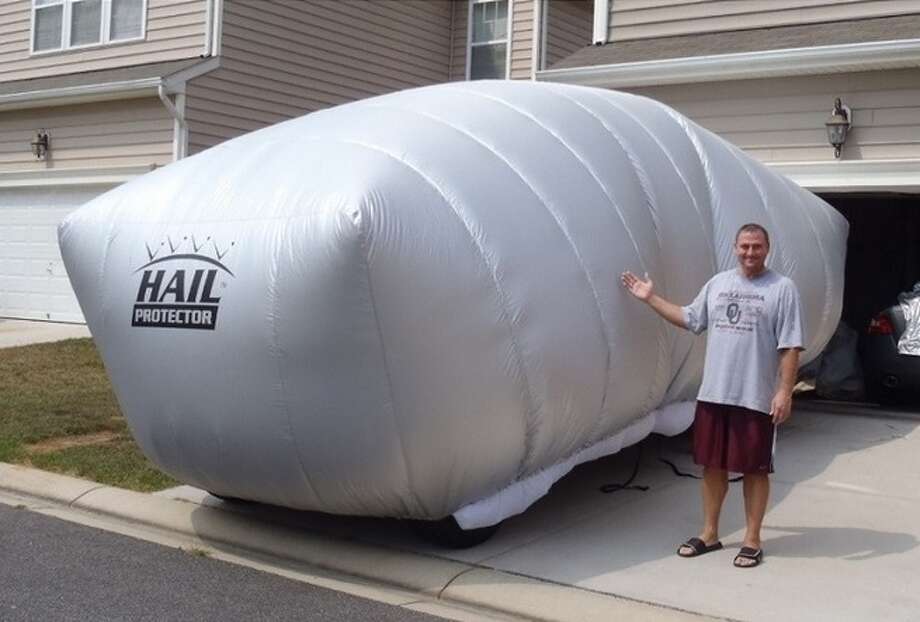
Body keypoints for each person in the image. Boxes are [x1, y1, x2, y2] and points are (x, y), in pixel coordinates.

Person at [621, 223, 803, 569]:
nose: (751, 253)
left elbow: (791, 344)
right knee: (712, 466)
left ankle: (751, 539)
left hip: (755, 398)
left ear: (768, 249)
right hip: (715, 394)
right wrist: (650, 298)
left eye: (757, 247)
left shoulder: (782, 289)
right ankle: (709, 534)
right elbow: (690, 318)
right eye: (745, 246)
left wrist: (784, 391)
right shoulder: (718, 284)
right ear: (735, 248)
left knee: (755, 469)